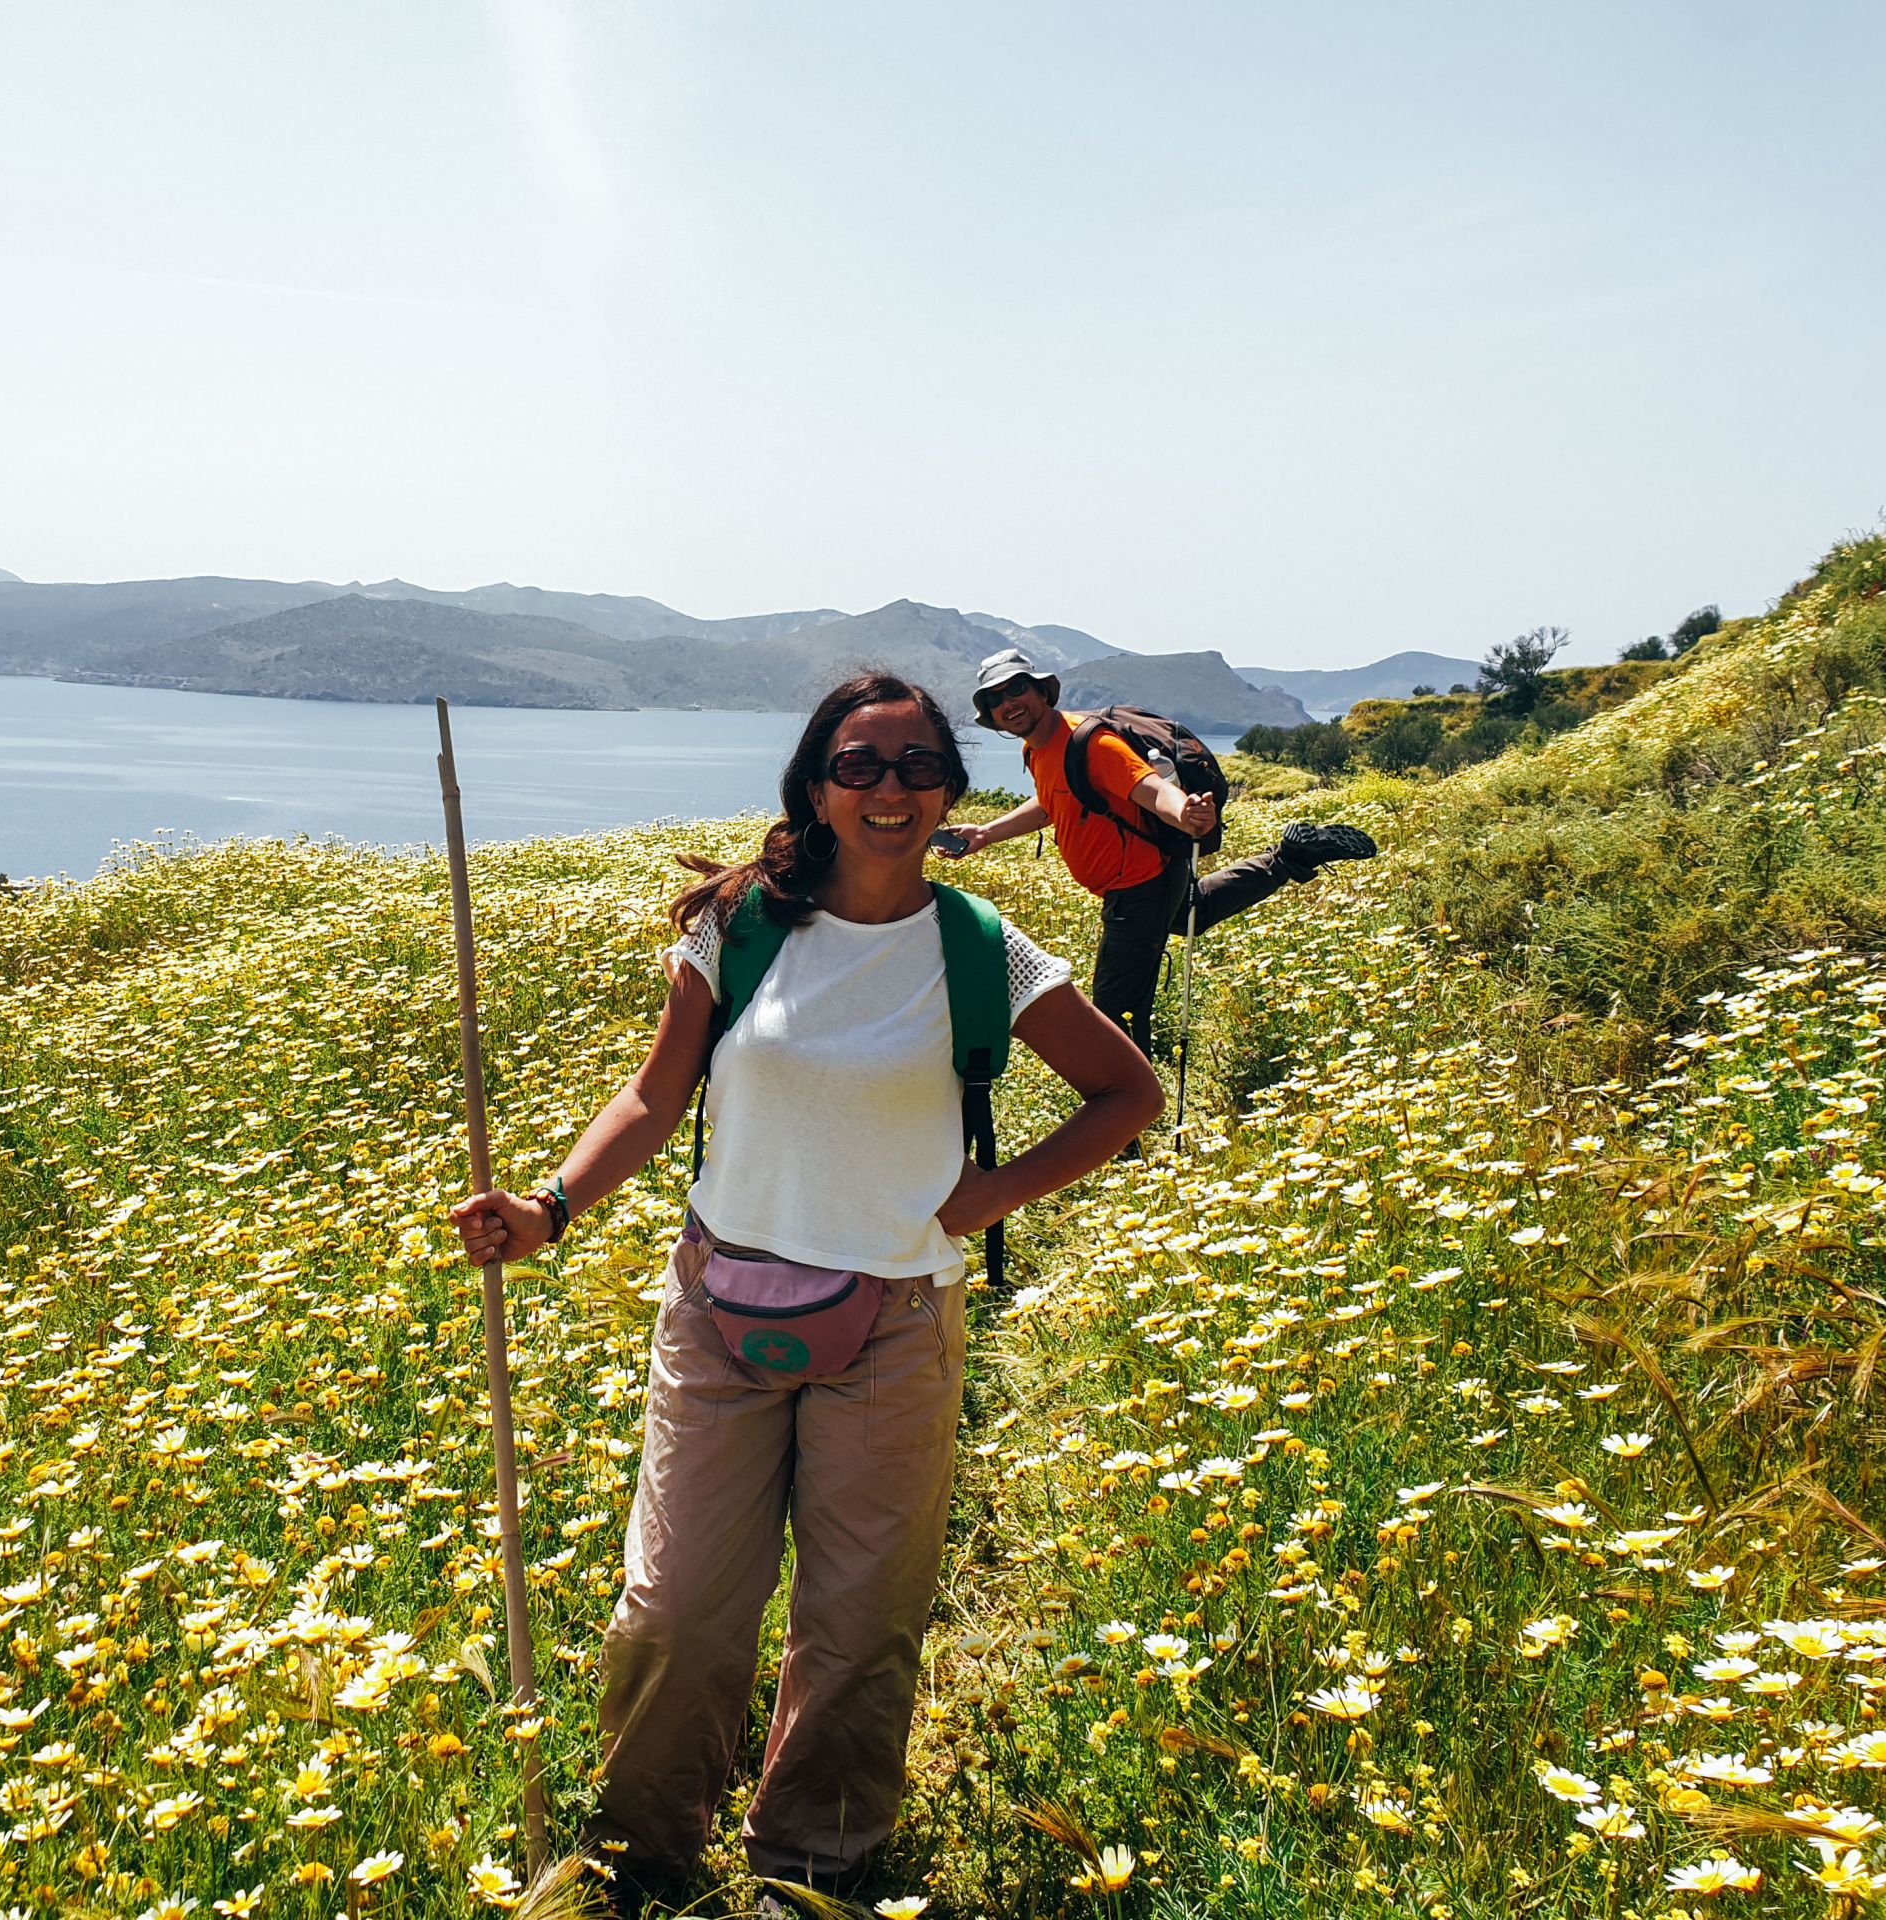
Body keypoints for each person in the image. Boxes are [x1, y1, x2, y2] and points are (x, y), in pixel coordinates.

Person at [448, 672, 1162, 1905]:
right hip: (719, 1311)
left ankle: (809, 1874)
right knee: (674, 1613)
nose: (889, 790)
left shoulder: (984, 946)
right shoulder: (741, 923)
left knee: (857, 1629)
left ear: (949, 790)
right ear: (816, 786)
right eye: (860, 765)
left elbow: (1127, 1093)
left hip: (894, 1326)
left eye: (914, 767)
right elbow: (652, 1096)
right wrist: (549, 1208)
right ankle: (637, 1860)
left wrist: (995, 1194)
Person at [942, 648, 1377, 1061]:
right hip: (1145, 882)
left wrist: (1184, 812)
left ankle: (1129, 1123)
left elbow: (1150, 788)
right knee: (1194, 911)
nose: (1008, 703)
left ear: (1041, 691)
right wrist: (985, 832)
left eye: (1016, 688)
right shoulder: (1036, 748)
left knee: (1115, 1017)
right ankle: (1290, 857)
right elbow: (1050, 802)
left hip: (1137, 891)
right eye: (995, 698)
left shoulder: (1091, 743)